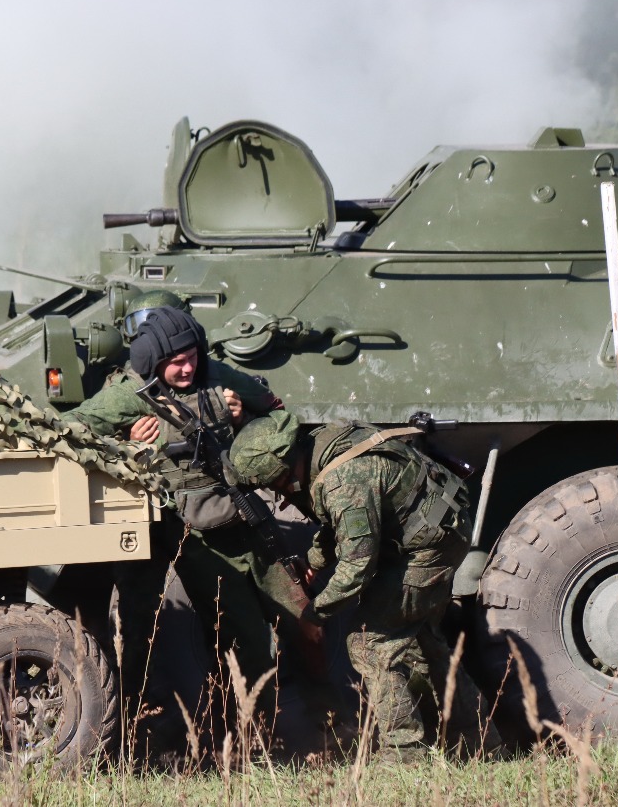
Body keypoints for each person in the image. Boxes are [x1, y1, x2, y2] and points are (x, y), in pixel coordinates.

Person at [66, 306, 326, 751]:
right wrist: (124, 443)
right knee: (145, 629)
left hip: (230, 515)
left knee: (278, 623)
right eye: (176, 362)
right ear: (153, 362)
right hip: (165, 524)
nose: (187, 368)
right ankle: (139, 731)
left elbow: (276, 414)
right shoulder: (130, 394)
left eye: (191, 357)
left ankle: (300, 727)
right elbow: (70, 432)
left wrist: (242, 420)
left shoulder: (217, 376)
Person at [228, 410, 504, 760]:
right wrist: (314, 562)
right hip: (430, 532)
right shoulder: (320, 447)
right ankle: (480, 741)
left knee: (368, 643)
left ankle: (404, 752)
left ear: (281, 473)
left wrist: (313, 615)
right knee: (423, 642)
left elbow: (356, 567)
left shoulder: (343, 481)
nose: (278, 493)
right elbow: (339, 524)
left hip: (429, 547)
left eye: (273, 485)